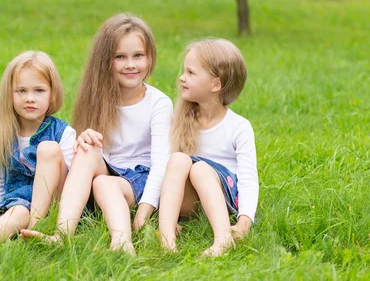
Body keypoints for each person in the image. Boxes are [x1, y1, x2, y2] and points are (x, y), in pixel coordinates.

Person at [22, 13, 173, 255]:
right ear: (105, 60)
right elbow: (86, 161)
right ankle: (62, 234)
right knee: (88, 148)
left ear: (150, 57)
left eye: (138, 56)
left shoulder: (158, 103)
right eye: (120, 57)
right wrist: (82, 141)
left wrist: (145, 210)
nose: (131, 64)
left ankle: (122, 242)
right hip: (103, 173)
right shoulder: (97, 97)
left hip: (137, 181)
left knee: (104, 182)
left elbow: (161, 164)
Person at [158, 39, 258, 257]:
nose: (182, 78)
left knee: (199, 168)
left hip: (224, 198)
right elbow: (166, 172)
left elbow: (249, 180)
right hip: (193, 202)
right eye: (184, 71)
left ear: (215, 84)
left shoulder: (239, 127)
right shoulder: (179, 120)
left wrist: (243, 223)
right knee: (177, 160)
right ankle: (166, 238)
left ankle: (223, 240)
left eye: (191, 73)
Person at [0, 51, 75, 255]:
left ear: (52, 94)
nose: (30, 98)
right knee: (17, 212)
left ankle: (35, 228)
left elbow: (72, 181)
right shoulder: (2, 133)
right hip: (20, 203)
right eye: (21, 91)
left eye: (39, 90)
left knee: (48, 148)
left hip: (56, 201)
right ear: (10, 94)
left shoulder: (64, 133)